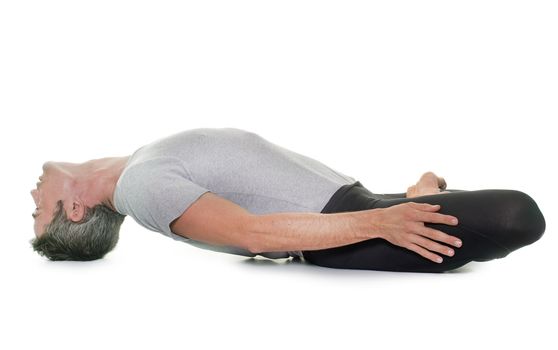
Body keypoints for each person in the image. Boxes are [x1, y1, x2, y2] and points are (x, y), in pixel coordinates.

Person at [29, 127, 546, 273]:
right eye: (36, 210)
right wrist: (380, 224)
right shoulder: (139, 188)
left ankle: (421, 198)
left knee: (464, 200)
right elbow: (250, 233)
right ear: (73, 210)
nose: (32, 195)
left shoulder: (140, 162)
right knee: (517, 213)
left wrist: (407, 199)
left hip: (361, 204)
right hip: (348, 229)